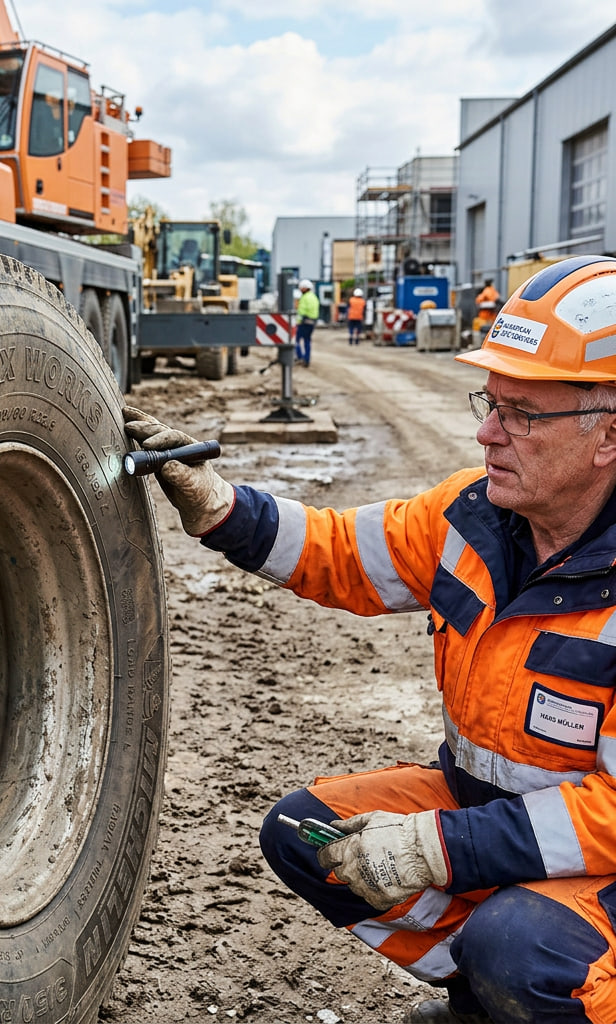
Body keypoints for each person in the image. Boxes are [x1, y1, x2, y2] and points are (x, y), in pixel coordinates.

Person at [124, 255, 616, 1024]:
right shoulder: (473, 516)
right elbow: (342, 553)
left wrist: (436, 847)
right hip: (490, 816)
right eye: (490, 402)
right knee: (306, 835)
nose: (486, 432)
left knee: (521, 949)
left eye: (521, 414)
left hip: (603, 863)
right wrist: (221, 509)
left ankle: (526, 984)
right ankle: (483, 1001)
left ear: (608, 435)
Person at [294, 279, 319, 366]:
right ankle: (306, 359)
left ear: (305, 288)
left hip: (304, 322)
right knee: (307, 340)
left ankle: (300, 357)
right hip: (312, 322)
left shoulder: (304, 298)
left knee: (296, 340)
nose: (300, 289)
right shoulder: (314, 297)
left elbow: (301, 311)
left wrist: (297, 322)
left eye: (301, 288)